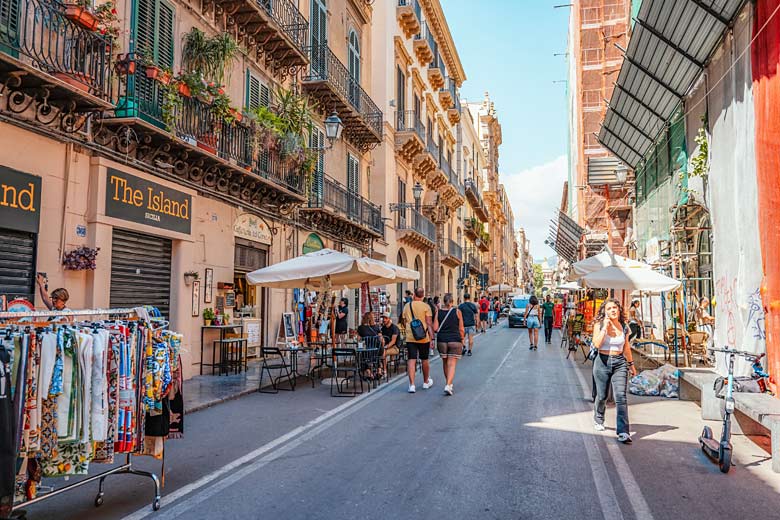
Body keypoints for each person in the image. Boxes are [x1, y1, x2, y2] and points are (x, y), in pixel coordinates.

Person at [592, 298, 637, 444]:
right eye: (609, 308)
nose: (613, 310)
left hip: (619, 363)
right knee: (602, 396)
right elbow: (597, 344)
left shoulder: (624, 327)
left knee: (621, 397)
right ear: (604, 312)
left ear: (619, 310)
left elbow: (627, 348)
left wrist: (631, 364)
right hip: (602, 362)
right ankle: (599, 418)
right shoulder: (599, 325)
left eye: (615, 308)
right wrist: (605, 327)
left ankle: (623, 431)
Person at [402, 287, 434, 393]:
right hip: (423, 337)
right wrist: (432, 338)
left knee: (411, 359)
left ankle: (412, 385)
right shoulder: (426, 307)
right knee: (424, 359)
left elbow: (404, 320)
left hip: (410, 336)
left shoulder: (407, 306)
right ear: (423, 296)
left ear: (414, 295)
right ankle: (425, 382)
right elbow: (429, 323)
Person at [434, 293, 465, 396]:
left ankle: (449, 383)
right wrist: (463, 340)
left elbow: (435, 328)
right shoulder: (457, 311)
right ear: (452, 302)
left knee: (445, 362)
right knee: (451, 364)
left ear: (444, 301)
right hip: (455, 340)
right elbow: (461, 328)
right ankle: (448, 385)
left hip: (442, 340)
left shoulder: (439, 312)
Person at [357, 312, 383, 380]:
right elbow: (381, 339)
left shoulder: (361, 328)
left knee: (361, 357)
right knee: (377, 358)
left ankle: (369, 373)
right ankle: (379, 371)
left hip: (367, 351)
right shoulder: (376, 327)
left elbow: (358, 340)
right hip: (377, 350)